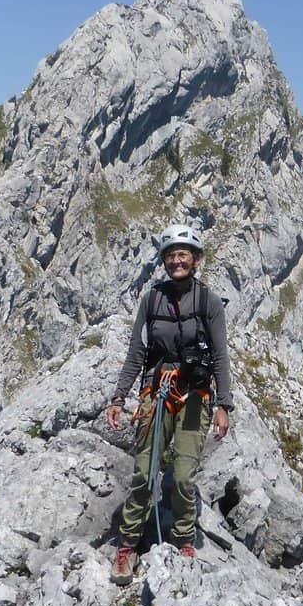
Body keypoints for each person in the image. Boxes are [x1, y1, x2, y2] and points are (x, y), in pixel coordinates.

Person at [106, 223, 233, 582]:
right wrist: (119, 396)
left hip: (196, 396)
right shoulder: (152, 299)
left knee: (182, 474)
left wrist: (225, 404)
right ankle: (127, 547)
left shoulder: (207, 301)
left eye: (183, 255)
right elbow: (137, 351)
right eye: (170, 256)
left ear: (195, 260)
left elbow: (221, 355)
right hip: (157, 391)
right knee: (145, 472)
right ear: (164, 261)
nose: (176, 261)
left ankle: (183, 538)